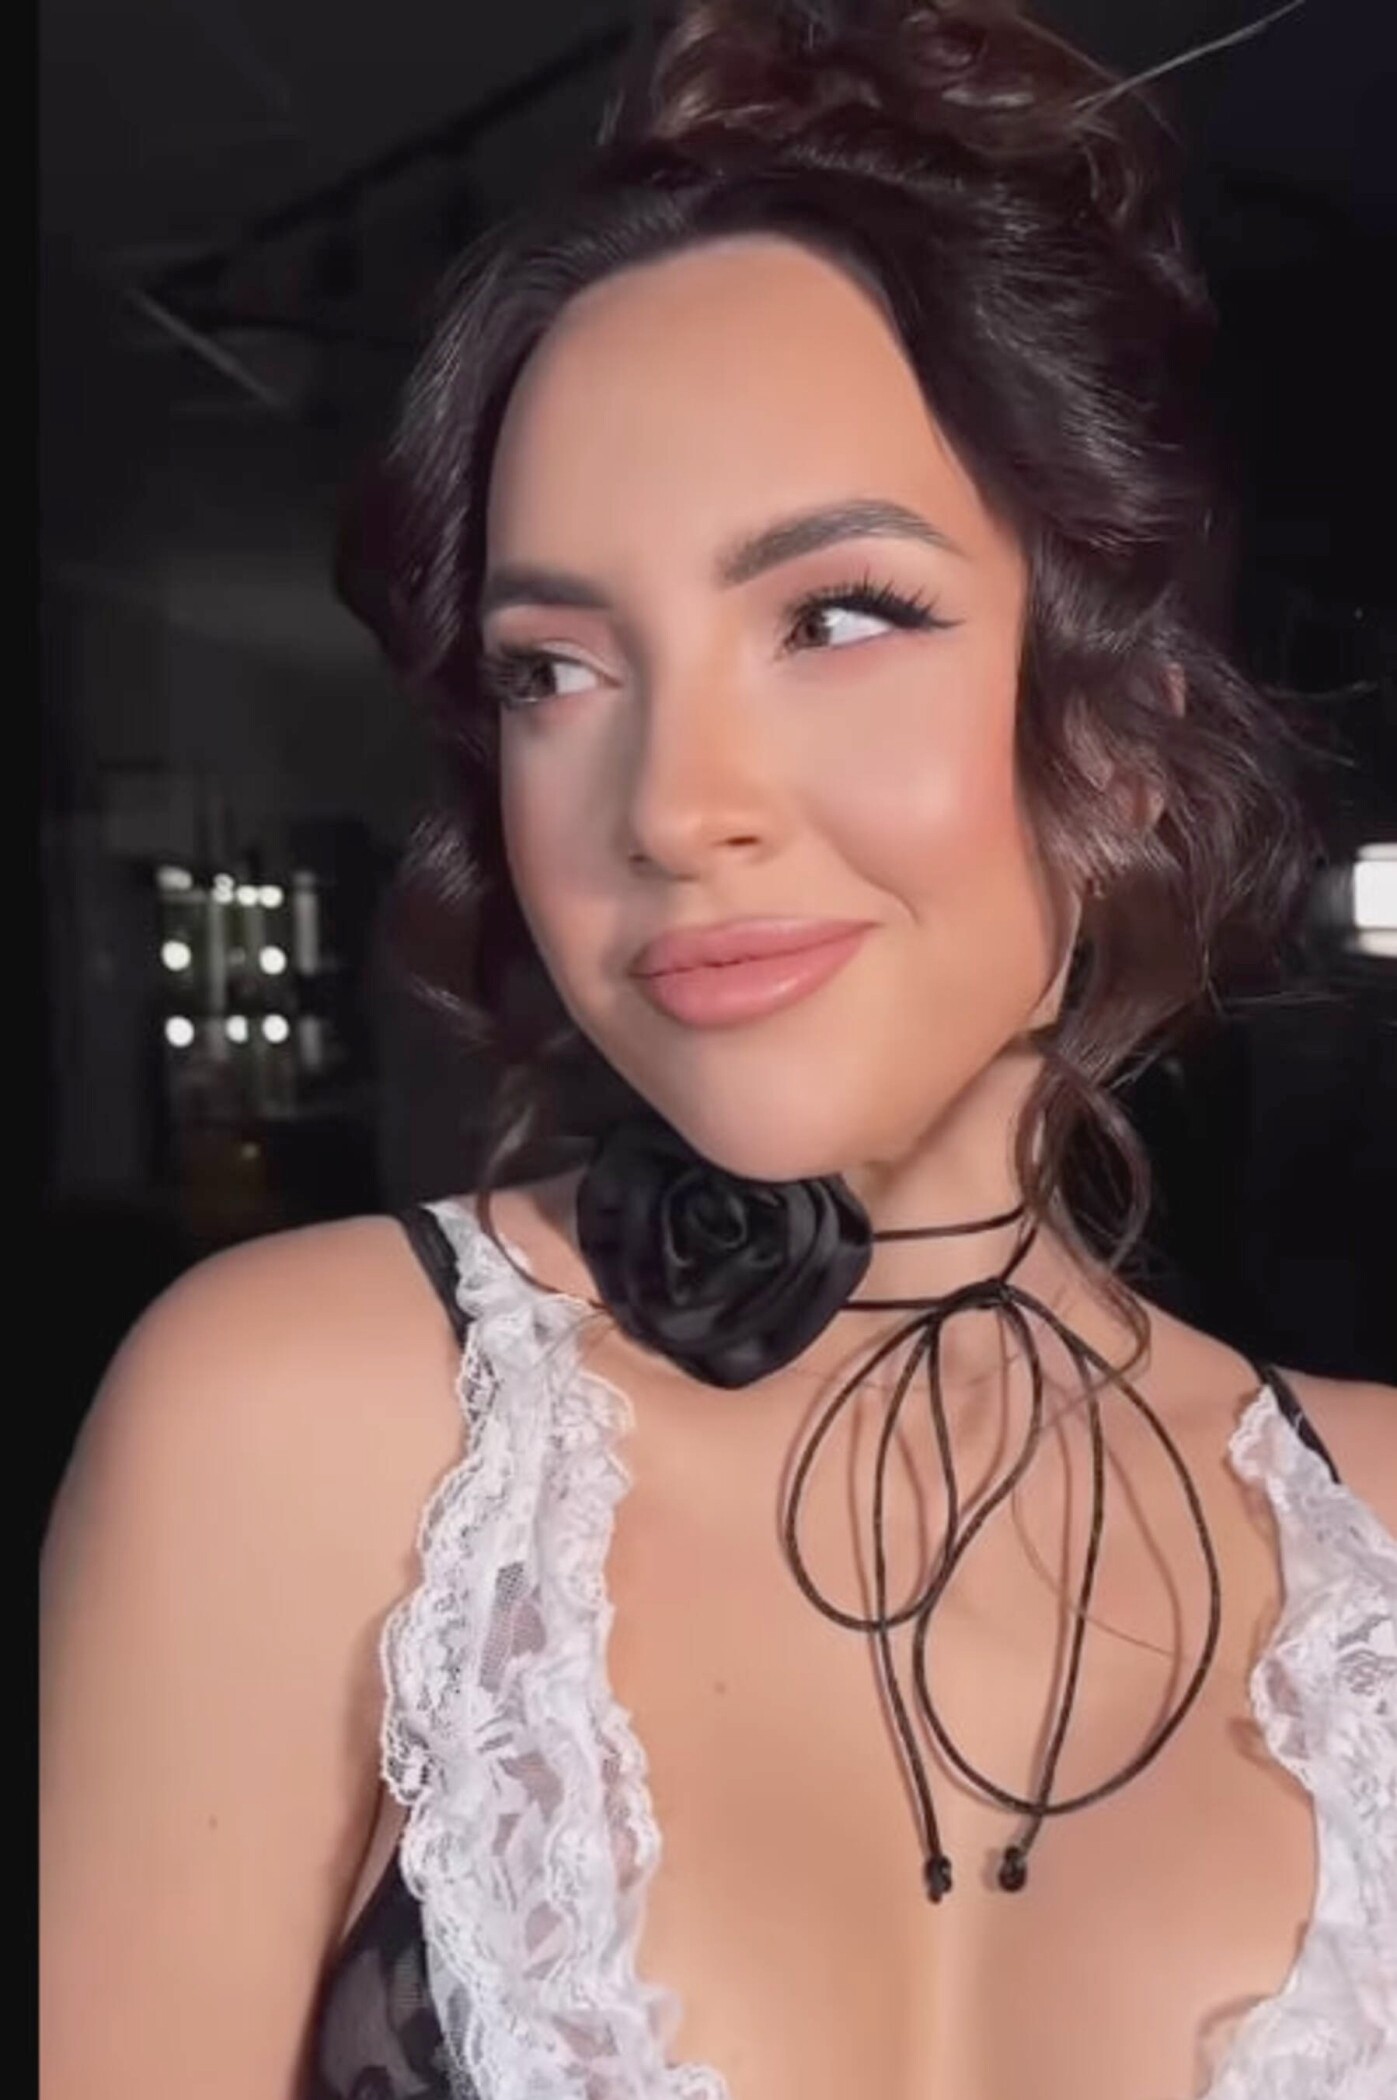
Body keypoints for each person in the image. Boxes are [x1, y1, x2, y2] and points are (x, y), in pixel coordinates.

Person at [40, 3, 1397, 2096]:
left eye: (837, 614)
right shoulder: (309, 1425)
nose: (673, 807)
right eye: (555, 669)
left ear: (1124, 738)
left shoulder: (1376, 1532)